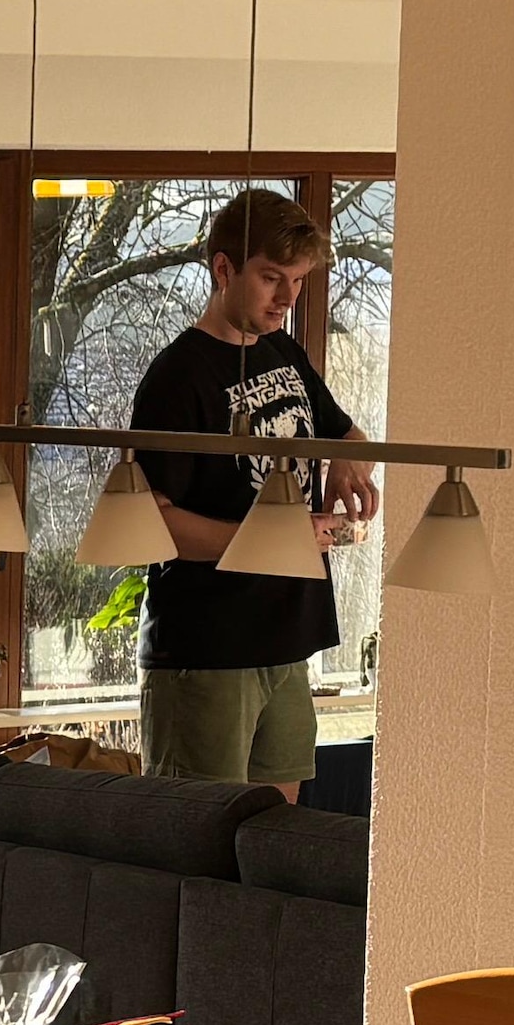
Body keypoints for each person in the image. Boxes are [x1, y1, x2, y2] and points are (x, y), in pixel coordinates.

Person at [120, 185, 372, 790]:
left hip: (287, 639)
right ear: (224, 268)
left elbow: (349, 434)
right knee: (199, 847)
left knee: (272, 847)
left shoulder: (282, 349)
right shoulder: (175, 379)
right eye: (270, 277)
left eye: (299, 280)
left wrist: (343, 462)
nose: (287, 297)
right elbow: (154, 526)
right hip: (206, 650)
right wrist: (275, 539)